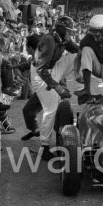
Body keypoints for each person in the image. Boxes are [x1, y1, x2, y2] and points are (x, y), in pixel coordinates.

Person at [21, 17, 79, 160]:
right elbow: (41, 70)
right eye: (69, 31)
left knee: (79, 53)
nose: (70, 34)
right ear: (61, 29)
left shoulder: (63, 39)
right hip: (40, 75)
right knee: (50, 110)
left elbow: (78, 50)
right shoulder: (49, 41)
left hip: (50, 71)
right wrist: (57, 87)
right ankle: (44, 147)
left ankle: (77, 76)